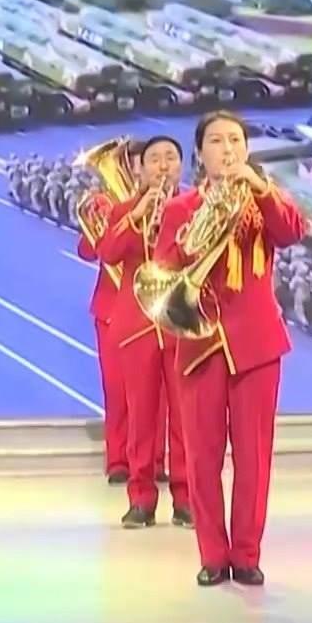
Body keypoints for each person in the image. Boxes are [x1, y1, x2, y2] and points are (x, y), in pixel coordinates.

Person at [152, 111, 306, 587]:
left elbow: (292, 231)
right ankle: (213, 555)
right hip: (200, 342)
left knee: (254, 456)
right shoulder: (181, 208)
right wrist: (196, 234)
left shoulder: (264, 199)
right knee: (202, 456)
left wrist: (259, 187)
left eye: (236, 140)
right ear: (201, 153)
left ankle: (247, 553)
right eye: (217, 141)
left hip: (256, 342)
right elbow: (164, 268)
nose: (228, 149)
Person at [95, 136, 192, 530]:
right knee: (140, 418)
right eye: (154, 159)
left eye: (170, 158)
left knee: (185, 419)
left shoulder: (195, 207)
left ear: (182, 166)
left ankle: (186, 499)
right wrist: (138, 215)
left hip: (181, 324)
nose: (162, 166)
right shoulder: (123, 209)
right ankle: (141, 499)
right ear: (139, 168)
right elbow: (108, 252)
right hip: (137, 326)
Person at [76, 154, 133, 484]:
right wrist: (99, 221)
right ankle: (118, 460)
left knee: (159, 395)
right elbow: (87, 251)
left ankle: (154, 460)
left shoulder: (173, 206)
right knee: (117, 390)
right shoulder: (108, 206)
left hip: (154, 310)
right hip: (111, 309)